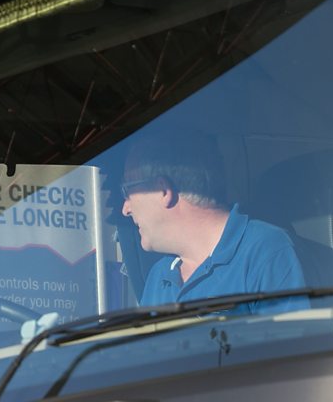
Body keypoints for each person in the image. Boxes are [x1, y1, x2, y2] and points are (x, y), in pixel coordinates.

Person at [119, 131, 307, 315]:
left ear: (162, 191)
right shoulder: (158, 276)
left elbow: (293, 336)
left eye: (128, 191)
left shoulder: (266, 252)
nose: (125, 209)